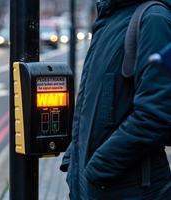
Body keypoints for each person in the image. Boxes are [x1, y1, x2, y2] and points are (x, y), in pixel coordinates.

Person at [60, 0, 171, 199]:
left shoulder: (154, 19)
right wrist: (73, 162)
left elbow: (155, 115)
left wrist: (96, 170)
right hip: (93, 187)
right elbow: (87, 103)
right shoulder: (109, 20)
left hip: (129, 189)